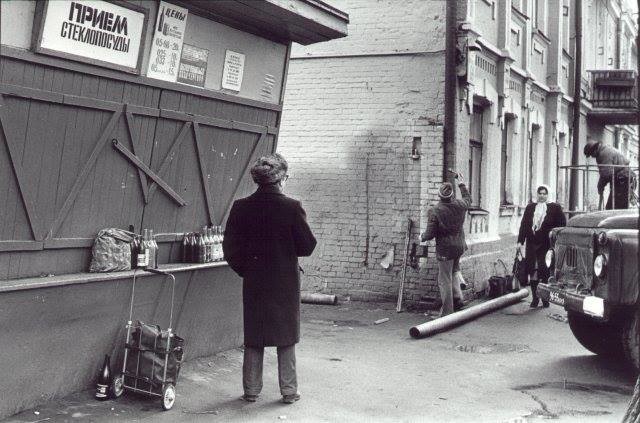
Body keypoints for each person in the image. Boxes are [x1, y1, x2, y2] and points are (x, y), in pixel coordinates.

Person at [222, 153, 317, 404]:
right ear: (281, 179)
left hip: (255, 282)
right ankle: (289, 391)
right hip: (285, 282)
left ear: (258, 180)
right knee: (286, 336)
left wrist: (247, 270)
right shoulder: (292, 207)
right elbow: (307, 246)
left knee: (255, 335)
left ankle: (251, 390)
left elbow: (230, 249)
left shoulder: (241, 207)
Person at [420, 173, 471, 316]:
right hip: (459, 246)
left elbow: (430, 234)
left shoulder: (435, 210)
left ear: (439, 195)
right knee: (454, 272)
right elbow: (468, 199)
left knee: (445, 279)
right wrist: (461, 183)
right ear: (452, 195)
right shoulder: (460, 205)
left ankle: (447, 312)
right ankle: (458, 300)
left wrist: (422, 237)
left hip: (445, 250)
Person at [517, 185, 566, 308]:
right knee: (533, 271)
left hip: (546, 245)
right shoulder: (530, 207)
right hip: (532, 244)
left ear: (548, 195)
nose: (542, 196)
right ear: (537, 194)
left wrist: (553, 234)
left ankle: (545, 298)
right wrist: (520, 241)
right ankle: (535, 298)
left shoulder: (555, 208)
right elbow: (524, 225)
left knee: (544, 272)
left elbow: (562, 225)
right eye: (540, 193)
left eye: (544, 193)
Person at [584, 140, 635, 209]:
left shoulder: (604, 154)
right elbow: (604, 172)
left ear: (594, 150)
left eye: (591, 154)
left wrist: (600, 185)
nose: (592, 157)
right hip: (624, 178)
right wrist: (601, 185)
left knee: (612, 209)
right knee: (617, 207)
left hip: (623, 180)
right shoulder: (604, 150)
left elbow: (606, 174)